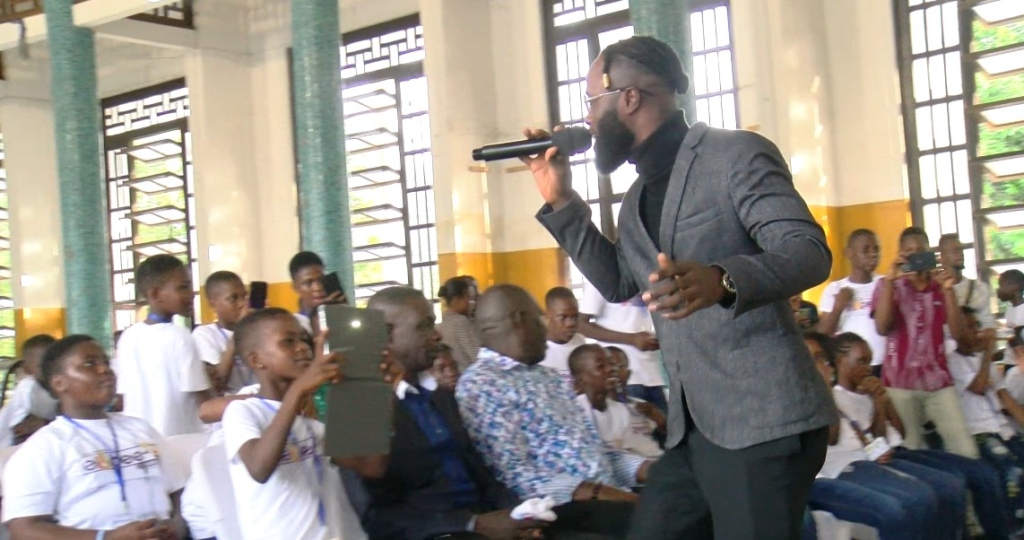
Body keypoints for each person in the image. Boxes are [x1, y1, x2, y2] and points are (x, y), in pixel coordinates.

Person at [524, 35, 833, 539]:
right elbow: (620, 281)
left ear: (629, 98)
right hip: (695, 428)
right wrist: (560, 199)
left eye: (591, 101)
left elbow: (807, 251)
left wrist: (722, 279)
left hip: (762, 420)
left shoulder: (734, 155)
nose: (586, 117)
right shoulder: (636, 199)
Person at [458, 285, 645, 540]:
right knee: (671, 520)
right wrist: (607, 494)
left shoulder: (547, 376)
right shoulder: (482, 384)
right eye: (541, 318)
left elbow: (593, 451)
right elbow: (515, 477)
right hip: (558, 509)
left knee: (687, 494)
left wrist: (647, 468)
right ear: (519, 321)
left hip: (606, 495)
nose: (546, 327)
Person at [360, 286, 545, 540]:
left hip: (483, 522)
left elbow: (481, 475)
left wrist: (520, 513)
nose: (436, 334)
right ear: (386, 335)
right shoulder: (359, 409)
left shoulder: (440, 396)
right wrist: (473, 524)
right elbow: (372, 514)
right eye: (425, 326)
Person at [2, 335, 187, 538]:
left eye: (106, 362)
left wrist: (177, 527)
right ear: (59, 383)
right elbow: (24, 529)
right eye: (90, 364)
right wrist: (106, 537)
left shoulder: (140, 429)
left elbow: (180, 492)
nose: (105, 370)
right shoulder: (43, 448)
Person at [223, 308, 375, 540]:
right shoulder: (243, 411)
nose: (303, 347)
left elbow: (370, 466)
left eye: (304, 339)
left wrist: (379, 392)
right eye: (288, 342)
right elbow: (259, 468)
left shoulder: (311, 412)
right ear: (256, 360)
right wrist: (298, 390)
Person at [801, 332, 949, 540]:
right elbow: (831, 438)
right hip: (836, 470)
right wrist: (825, 388)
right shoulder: (819, 396)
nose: (823, 365)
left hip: (872, 456)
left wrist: (881, 401)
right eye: (814, 359)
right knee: (901, 506)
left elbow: (897, 433)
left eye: (822, 358)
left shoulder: (831, 396)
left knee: (933, 491)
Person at [872, 226, 979, 458]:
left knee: (966, 449)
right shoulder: (887, 285)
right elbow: (882, 328)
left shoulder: (940, 287)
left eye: (920, 250)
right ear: (900, 254)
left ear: (930, 253)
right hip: (899, 383)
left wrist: (948, 291)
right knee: (912, 449)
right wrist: (890, 282)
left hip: (938, 382)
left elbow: (958, 333)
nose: (915, 256)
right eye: (909, 251)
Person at [114, 254, 212, 437]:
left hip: (140, 440)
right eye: (183, 287)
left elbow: (123, 397)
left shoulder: (128, 337)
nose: (191, 294)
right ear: (155, 294)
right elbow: (204, 402)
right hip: (182, 440)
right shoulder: (180, 336)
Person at [947, 308, 1024, 522]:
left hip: (1003, 429)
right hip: (980, 431)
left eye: (977, 325)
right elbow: (979, 387)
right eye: (969, 326)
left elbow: (1005, 397)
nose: (976, 331)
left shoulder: (983, 359)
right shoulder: (952, 361)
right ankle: (1013, 527)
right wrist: (989, 352)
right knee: (1010, 470)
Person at [578, 278, 666, 412]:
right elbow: (581, 325)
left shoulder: (643, 275)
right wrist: (632, 339)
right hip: (622, 377)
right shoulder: (601, 277)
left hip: (653, 374)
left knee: (663, 424)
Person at [570, 344, 662, 459]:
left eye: (611, 364)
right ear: (581, 379)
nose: (611, 369)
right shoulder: (573, 412)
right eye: (600, 366)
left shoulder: (621, 409)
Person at [817, 229, 887, 375]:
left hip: (885, 364)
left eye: (876, 249)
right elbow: (823, 333)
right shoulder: (836, 289)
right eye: (866, 250)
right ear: (849, 253)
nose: (873, 254)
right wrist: (838, 307)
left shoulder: (885, 284)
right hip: (851, 368)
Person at [192, 271, 253, 395]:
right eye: (233, 298)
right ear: (213, 304)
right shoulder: (204, 335)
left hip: (258, 399)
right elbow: (218, 381)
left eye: (244, 297)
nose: (242, 304)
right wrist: (239, 331)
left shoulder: (255, 331)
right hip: (228, 403)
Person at [0, 334, 57, 447]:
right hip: (10, 447)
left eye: (56, 364)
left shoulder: (59, 384)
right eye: (42, 366)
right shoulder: (27, 388)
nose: (51, 370)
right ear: (27, 369)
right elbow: (22, 430)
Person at [606, 346, 666, 449]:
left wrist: (660, 422)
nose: (614, 372)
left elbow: (663, 440)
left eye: (619, 366)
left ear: (628, 373)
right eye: (609, 367)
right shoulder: (598, 409)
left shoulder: (643, 406)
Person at [940, 234, 996, 330]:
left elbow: (988, 323)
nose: (960, 254)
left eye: (961, 250)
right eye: (954, 251)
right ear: (942, 257)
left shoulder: (979, 288)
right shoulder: (935, 291)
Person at [289, 251, 345, 335]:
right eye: (308, 283)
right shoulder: (296, 325)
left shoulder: (337, 314)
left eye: (321, 279)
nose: (318, 287)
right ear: (295, 288)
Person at [540, 287, 587, 383]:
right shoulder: (538, 350)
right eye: (563, 317)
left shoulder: (580, 342)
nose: (570, 324)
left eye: (575, 317)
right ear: (547, 316)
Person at [437, 276, 481, 371]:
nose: (470, 303)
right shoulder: (460, 322)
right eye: (468, 298)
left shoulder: (441, 325)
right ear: (456, 299)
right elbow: (477, 356)